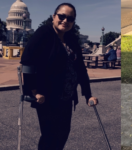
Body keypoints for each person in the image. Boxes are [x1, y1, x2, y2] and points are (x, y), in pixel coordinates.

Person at [20, 3, 98, 150]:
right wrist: (34, 91)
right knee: (49, 135)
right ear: (54, 17)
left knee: (63, 133)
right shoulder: (44, 33)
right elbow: (27, 62)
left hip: (67, 96)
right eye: (61, 16)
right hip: (47, 96)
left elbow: (80, 69)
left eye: (70, 18)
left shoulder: (71, 39)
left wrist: (88, 94)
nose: (65, 21)